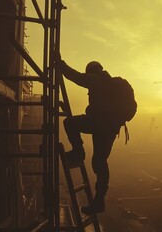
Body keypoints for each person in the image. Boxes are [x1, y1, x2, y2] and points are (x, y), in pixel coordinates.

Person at [56, 56, 122, 215]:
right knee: (99, 161)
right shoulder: (109, 83)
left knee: (69, 123)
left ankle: (78, 153)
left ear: (91, 71)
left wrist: (61, 64)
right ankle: (99, 201)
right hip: (110, 129)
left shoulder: (96, 79)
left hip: (99, 124)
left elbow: (77, 77)